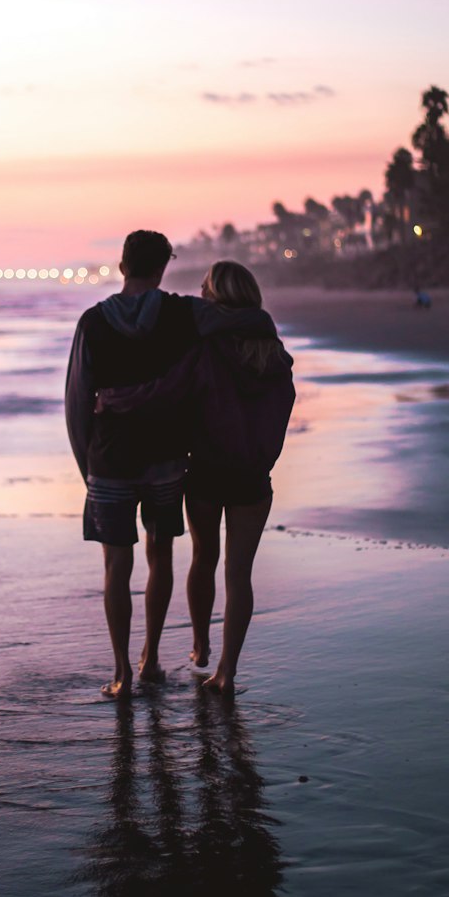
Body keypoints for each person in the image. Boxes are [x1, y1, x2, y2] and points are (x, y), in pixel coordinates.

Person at [66, 232, 277, 699]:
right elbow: (239, 315)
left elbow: (77, 399)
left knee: (115, 564)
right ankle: (152, 659)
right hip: (165, 459)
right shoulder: (184, 313)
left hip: (110, 461)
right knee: (160, 556)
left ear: (122, 265)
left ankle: (122, 673)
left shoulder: (92, 322)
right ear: (163, 268)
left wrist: (88, 467)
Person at [183, 261, 295, 695]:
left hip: (208, 468)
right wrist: (264, 456)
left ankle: (200, 643)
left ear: (216, 296)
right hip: (252, 474)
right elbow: (280, 409)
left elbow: (190, 399)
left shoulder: (206, 345)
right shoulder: (274, 352)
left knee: (202, 558)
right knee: (239, 573)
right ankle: (227, 671)